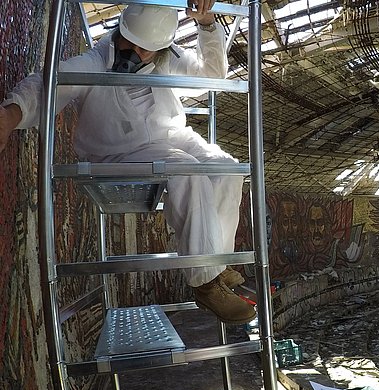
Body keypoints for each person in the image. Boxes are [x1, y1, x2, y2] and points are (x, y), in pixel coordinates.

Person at [0, 2, 255, 324]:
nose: (135, 52)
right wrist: (10, 114)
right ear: (120, 29)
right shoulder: (94, 61)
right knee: (187, 170)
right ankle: (205, 283)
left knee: (226, 167)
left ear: (160, 47)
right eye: (129, 42)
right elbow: (49, 85)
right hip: (120, 149)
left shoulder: (168, 56)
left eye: (145, 49)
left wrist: (206, 25)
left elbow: (212, 76)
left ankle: (217, 262)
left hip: (172, 137)